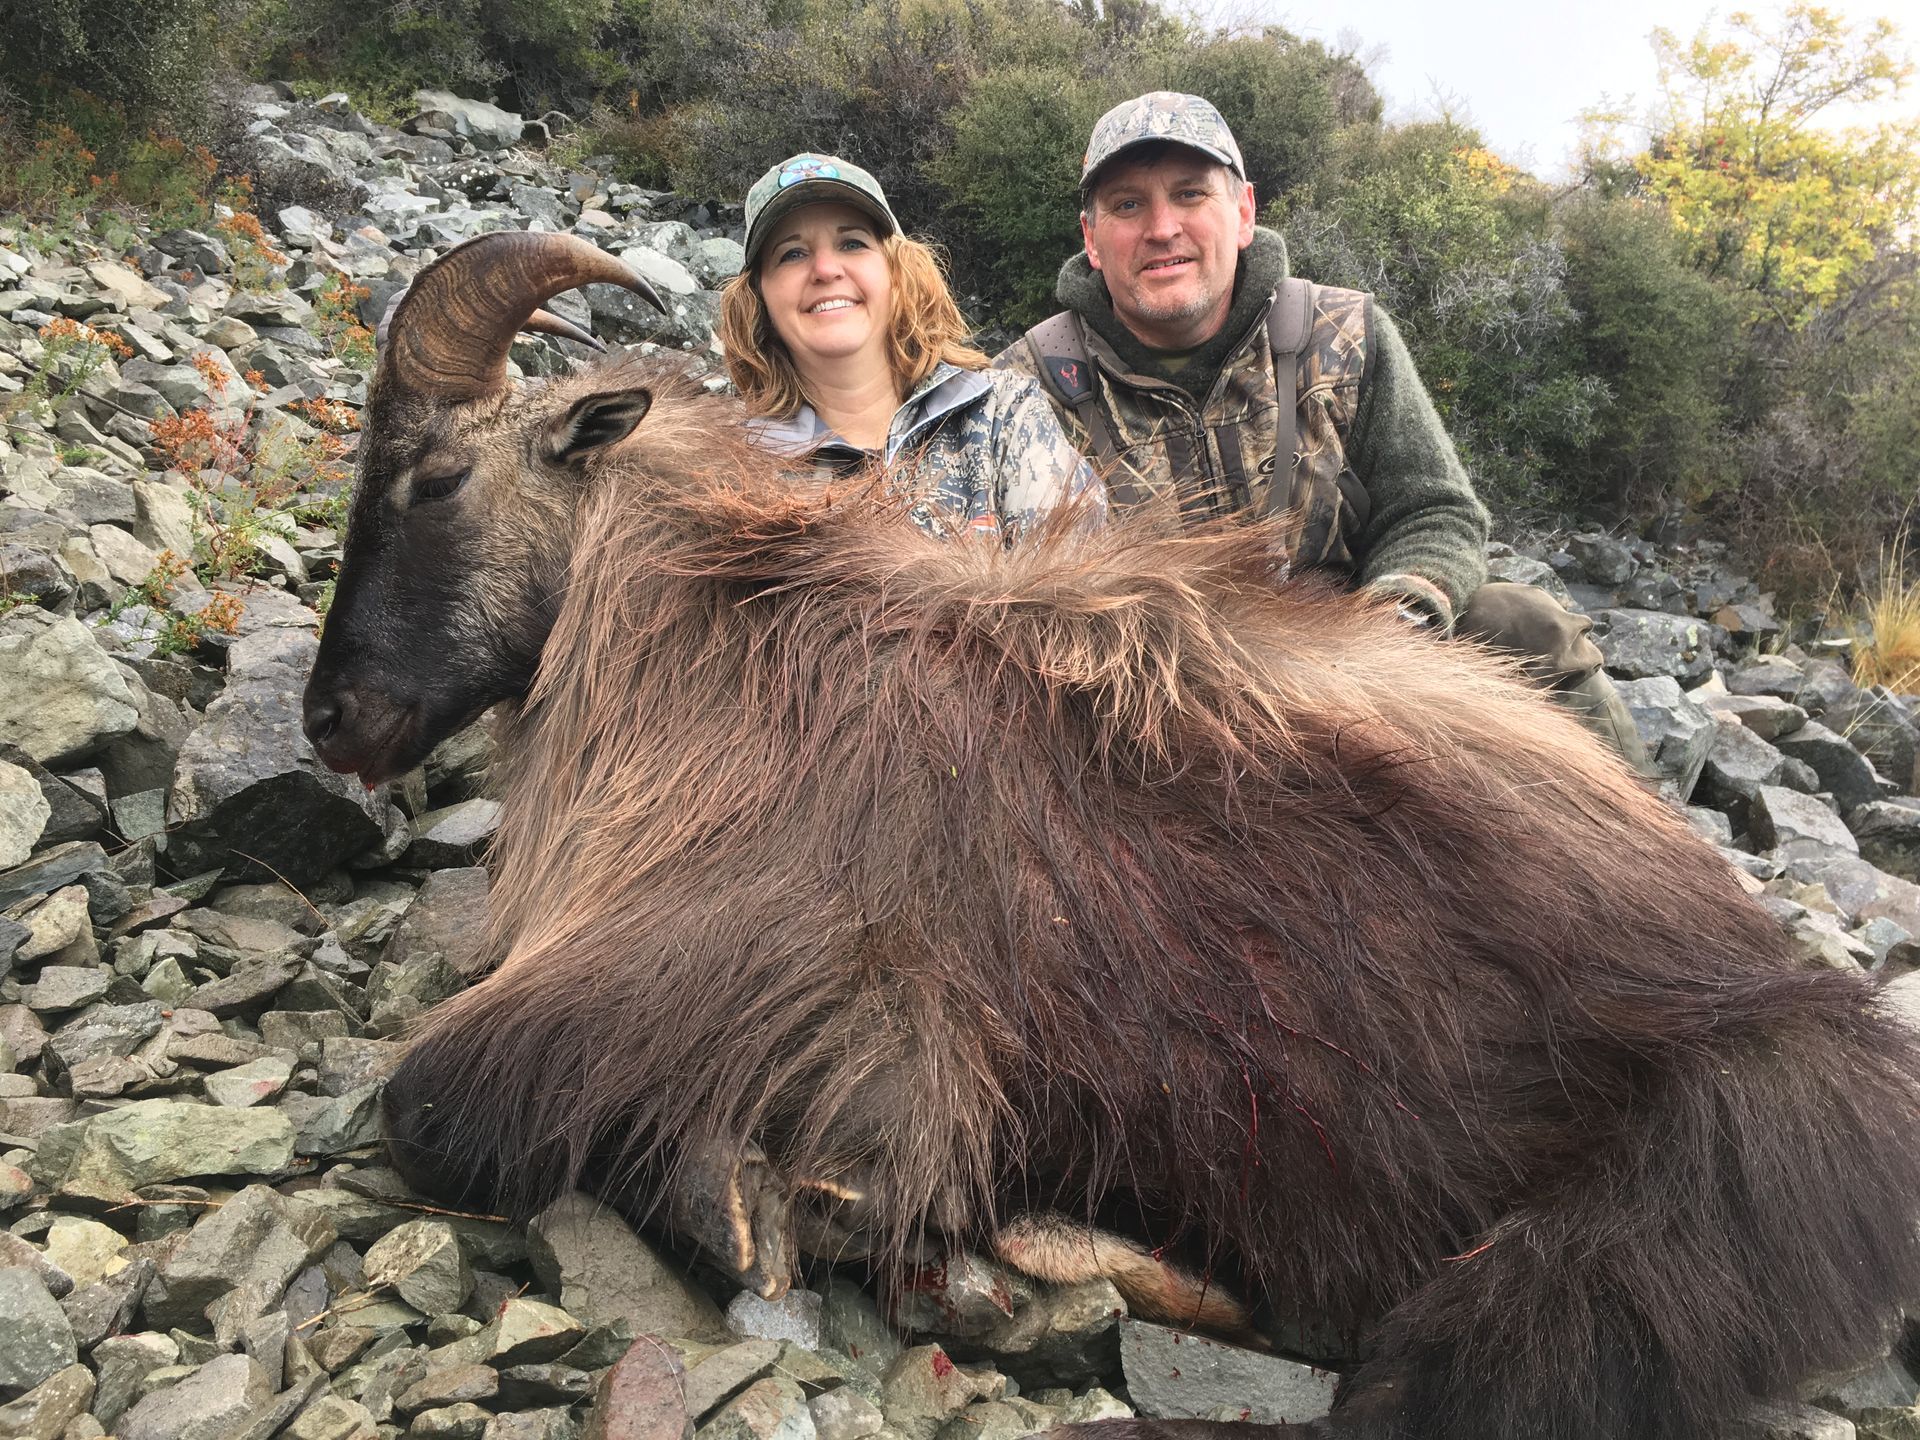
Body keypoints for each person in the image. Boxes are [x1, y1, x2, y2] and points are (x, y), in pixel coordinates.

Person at [993, 93, 1647, 764]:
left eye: (1190, 195)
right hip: (1143, 710)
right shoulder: (1022, 389)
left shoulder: (1347, 333)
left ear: (1243, 212)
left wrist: (1396, 626)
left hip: (1352, 676)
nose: (1162, 228)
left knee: (1522, 626)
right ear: (1091, 239)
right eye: (1127, 205)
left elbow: (1434, 510)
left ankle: (1660, 848)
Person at [721, 153, 1103, 545]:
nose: (825, 270)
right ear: (758, 297)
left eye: (852, 243)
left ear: (898, 273)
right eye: (792, 254)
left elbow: (1080, 589)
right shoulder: (731, 470)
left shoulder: (1003, 414)